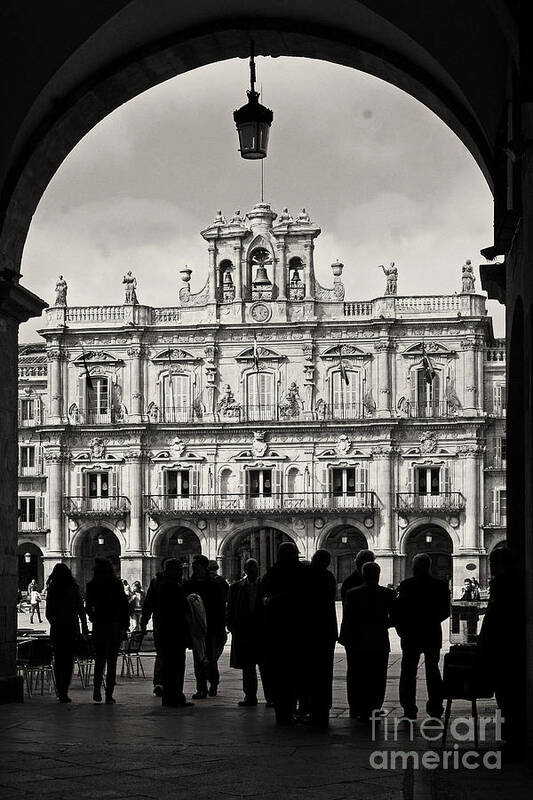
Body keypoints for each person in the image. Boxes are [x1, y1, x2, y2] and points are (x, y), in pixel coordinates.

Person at [479, 546, 526, 761]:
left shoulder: (500, 583)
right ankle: (516, 733)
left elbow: (493, 617)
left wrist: (482, 641)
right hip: (517, 643)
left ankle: (512, 735)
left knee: (506, 692)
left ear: (499, 564)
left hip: (503, 645)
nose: (491, 568)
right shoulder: (521, 580)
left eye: (492, 564)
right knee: (515, 690)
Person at [395, 553, 450, 719]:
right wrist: (431, 621)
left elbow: (400, 611)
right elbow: (445, 611)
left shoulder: (406, 585)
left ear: (414, 567)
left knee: (408, 673)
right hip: (432, 633)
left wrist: (402, 629)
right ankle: (435, 708)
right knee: (433, 671)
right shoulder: (440, 586)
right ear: (429, 566)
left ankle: (409, 709)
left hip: (411, 634)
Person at [339, 561, 396, 720]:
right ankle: (373, 708)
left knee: (355, 675)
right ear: (378, 575)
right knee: (377, 676)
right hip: (379, 640)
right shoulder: (387, 594)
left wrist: (344, 638)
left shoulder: (352, 593)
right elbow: (397, 617)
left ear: (363, 575)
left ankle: (356, 708)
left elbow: (347, 618)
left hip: (356, 641)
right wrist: (384, 624)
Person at [260, 541, 309, 725]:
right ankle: (301, 709)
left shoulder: (272, 574)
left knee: (279, 676)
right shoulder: (305, 573)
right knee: (301, 674)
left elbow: (263, 601)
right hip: (300, 633)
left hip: (277, 635)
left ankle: (283, 713)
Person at [141, 559, 192, 707]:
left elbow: (148, 604)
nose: (181, 572)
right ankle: (174, 697)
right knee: (176, 664)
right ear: (172, 570)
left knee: (167, 662)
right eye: (179, 570)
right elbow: (183, 606)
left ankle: (170, 696)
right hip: (174, 630)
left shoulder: (156, 582)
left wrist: (143, 623)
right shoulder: (172, 585)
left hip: (160, 629)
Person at [226, 558, 272, 708]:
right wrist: (231, 625)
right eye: (250, 568)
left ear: (258, 569)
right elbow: (230, 609)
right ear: (245, 570)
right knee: (248, 667)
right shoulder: (235, 588)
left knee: (266, 668)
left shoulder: (266, 586)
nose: (253, 571)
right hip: (244, 633)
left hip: (262, 633)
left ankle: (271, 697)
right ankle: (250, 696)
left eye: (255, 568)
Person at [85, 558, 130, 704]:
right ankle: (109, 695)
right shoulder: (116, 584)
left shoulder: (92, 585)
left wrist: (93, 618)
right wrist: (125, 625)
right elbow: (124, 606)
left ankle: (96, 689)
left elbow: (88, 606)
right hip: (115, 625)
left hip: (99, 625)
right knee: (112, 662)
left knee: (99, 660)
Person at [183, 554, 227, 699]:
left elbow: (221, 607)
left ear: (203, 566)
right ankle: (201, 688)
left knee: (211, 659)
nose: (193, 567)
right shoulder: (189, 584)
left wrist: (221, 628)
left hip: (212, 627)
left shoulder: (214, 584)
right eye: (193, 565)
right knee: (198, 660)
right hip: (196, 628)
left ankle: (213, 683)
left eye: (196, 565)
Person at [303, 549, 338, 725]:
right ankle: (323, 707)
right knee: (325, 673)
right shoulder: (329, 577)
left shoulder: (306, 576)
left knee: (308, 672)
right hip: (326, 631)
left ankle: (310, 707)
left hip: (309, 632)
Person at [45, 563, 88, 703]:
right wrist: (84, 626)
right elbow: (81, 609)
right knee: (68, 660)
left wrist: (55, 622)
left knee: (58, 660)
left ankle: (60, 690)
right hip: (71, 627)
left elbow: (48, 613)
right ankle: (65, 690)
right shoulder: (73, 588)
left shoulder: (52, 589)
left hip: (57, 629)